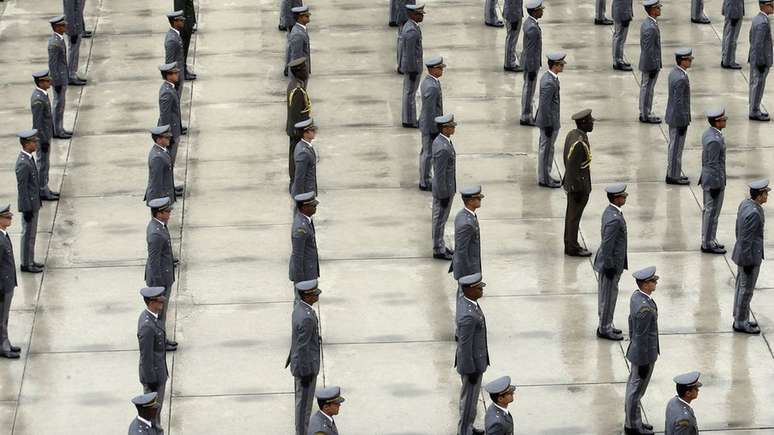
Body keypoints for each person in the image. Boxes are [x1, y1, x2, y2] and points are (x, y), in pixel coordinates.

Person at [624, 266, 660, 435]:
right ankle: (633, 426)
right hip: (643, 355)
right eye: (653, 281)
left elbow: (632, 327)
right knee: (636, 391)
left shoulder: (637, 297)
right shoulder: (644, 308)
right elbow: (642, 336)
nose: (655, 283)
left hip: (638, 351)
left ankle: (634, 421)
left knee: (634, 389)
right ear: (645, 284)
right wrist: (644, 360)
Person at [731, 179, 769, 334]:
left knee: (741, 287)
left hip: (743, 253)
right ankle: (740, 322)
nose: (767, 196)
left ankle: (741, 317)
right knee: (746, 290)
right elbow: (747, 238)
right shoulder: (754, 212)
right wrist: (747, 260)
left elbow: (738, 230)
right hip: (749, 257)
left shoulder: (745, 204)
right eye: (765, 193)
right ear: (759, 196)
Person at [285, 279, 322, 435]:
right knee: (304, 407)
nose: (316, 296)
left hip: (300, 363)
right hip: (305, 367)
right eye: (314, 294)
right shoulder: (306, 317)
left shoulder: (300, 308)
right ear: (307, 296)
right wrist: (306, 372)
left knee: (302, 402)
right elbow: (302, 347)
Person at [593, 183, 628, 341]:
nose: (625, 197)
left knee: (606, 295)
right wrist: (609, 265)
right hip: (611, 264)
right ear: (616, 198)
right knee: (608, 296)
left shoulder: (610, 212)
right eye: (623, 196)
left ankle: (605, 323)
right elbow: (608, 244)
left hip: (610, 262)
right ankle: (605, 328)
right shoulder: (614, 219)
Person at [455, 273, 490, 435]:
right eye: (478, 288)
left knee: (471, 399)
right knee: (469, 401)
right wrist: (471, 370)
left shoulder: (469, 303)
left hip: (475, 363)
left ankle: (468, 427)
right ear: (469, 290)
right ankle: (464, 431)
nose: (481, 290)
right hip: (472, 366)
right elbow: (465, 346)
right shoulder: (468, 315)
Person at [145, 197, 178, 352]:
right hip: (160, 279)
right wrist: (158, 287)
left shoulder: (160, 226)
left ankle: (162, 339)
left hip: (164, 276)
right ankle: (160, 342)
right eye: (166, 211)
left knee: (161, 313)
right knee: (159, 314)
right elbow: (154, 260)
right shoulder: (156, 234)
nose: (169, 214)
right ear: (158, 214)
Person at [562, 109, 594, 257]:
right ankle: (572, 247)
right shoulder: (579, 143)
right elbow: (573, 166)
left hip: (574, 184)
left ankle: (570, 243)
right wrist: (577, 188)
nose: (592, 121)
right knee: (574, 218)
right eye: (590, 120)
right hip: (578, 187)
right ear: (583, 123)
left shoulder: (572, 135)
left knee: (572, 216)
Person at [137, 286, 169, 428]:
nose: (162, 302)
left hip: (158, 371)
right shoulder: (147, 327)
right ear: (151, 303)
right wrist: (152, 382)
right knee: (153, 416)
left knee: (156, 413)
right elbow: (146, 357)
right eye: (159, 301)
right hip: (154, 377)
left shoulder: (152, 318)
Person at [698, 108, 727, 254]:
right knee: (712, 212)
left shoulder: (710, 134)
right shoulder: (714, 140)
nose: (725, 120)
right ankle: (707, 243)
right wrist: (716, 184)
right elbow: (713, 163)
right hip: (714, 181)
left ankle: (711, 238)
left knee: (711, 211)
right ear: (717, 121)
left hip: (711, 179)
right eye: (723, 119)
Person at [535, 52, 566, 188]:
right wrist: (548, 125)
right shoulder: (549, 82)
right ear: (555, 66)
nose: (563, 67)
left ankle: (545, 176)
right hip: (550, 122)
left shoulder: (551, 78)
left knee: (548, 149)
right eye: (561, 65)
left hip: (551, 120)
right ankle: (545, 179)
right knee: (546, 150)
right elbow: (545, 105)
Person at [15, 130, 43, 274]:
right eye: (34, 142)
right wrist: (26, 209)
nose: (36, 143)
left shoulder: (28, 158)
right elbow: (22, 189)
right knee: (27, 234)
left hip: (34, 204)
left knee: (31, 234)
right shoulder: (23, 163)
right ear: (27, 144)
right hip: (29, 206)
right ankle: (26, 263)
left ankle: (30, 260)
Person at [664, 48, 693, 185]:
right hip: (678, 118)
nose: (690, 61)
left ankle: (673, 172)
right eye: (688, 59)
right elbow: (679, 102)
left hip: (673, 116)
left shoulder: (674, 73)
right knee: (676, 149)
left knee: (674, 147)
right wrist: (682, 121)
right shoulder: (681, 78)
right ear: (682, 61)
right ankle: (673, 176)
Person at [30, 69, 59, 200]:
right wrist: (41, 141)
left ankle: (44, 187)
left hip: (46, 135)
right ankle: (42, 190)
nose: (49, 82)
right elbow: (37, 124)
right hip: (42, 139)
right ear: (40, 83)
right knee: (42, 164)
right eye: (47, 81)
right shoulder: (38, 100)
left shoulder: (43, 94)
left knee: (45, 164)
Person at [431, 114, 457, 260]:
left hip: (446, 188)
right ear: (444, 128)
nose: (453, 128)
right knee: (440, 220)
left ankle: (439, 244)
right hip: (444, 190)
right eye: (451, 126)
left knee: (440, 219)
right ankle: (438, 249)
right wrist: (443, 195)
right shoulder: (443, 148)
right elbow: (440, 174)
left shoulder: (442, 142)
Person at [418, 56, 445, 191]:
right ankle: (425, 181)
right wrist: (435, 127)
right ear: (433, 70)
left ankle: (424, 178)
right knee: (428, 154)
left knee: (426, 152)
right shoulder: (432, 87)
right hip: (430, 125)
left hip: (427, 123)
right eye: (440, 68)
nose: (442, 70)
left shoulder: (429, 82)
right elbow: (430, 110)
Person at [451, 186, 484, 296]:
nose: (480, 200)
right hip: (467, 270)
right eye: (478, 198)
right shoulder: (467, 223)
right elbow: (461, 251)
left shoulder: (464, 215)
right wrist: (468, 278)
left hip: (469, 267)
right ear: (470, 201)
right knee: (465, 297)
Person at [398, 4, 425, 128]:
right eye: (419, 14)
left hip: (413, 66)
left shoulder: (412, 27)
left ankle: (408, 118)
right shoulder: (411, 31)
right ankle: (410, 120)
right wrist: (413, 70)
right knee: (410, 94)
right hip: (413, 67)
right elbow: (409, 53)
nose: (422, 16)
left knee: (409, 92)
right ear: (412, 15)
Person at [286, 57, 311, 185]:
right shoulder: (297, 90)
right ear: (299, 71)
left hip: (295, 128)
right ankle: (295, 181)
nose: (307, 71)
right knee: (297, 156)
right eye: (305, 69)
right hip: (297, 129)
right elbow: (296, 114)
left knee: (294, 155)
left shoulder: (295, 84)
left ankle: (294, 179)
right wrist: (301, 131)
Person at [48, 15, 73, 138]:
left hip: (62, 77)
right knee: (58, 104)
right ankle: (57, 130)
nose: (65, 27)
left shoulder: (59, 39)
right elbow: (53, 64)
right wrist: (56, 82)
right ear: (57, 27)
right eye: (62, 25)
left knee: (60, 104)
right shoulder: (54, 43)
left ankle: (59, 128)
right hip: (59, 79)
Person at [748, 0, 773, 122]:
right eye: (771, 5)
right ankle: (754, 111)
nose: (773, 7)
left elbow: (751, 37)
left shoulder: (757, 18)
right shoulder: (763, 22)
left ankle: (754, 108)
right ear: (764, 6)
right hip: (760, 61)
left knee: (754, 85)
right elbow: (758, 44)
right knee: (758, 86)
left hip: (755, 58)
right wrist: (762, 62)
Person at [520, 0, 543, 126]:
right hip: (531, 64)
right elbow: (531, 50)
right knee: (529, 91)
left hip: (529, 62)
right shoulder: (533, 28)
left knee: (527, 89)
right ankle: (526, 116)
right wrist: (532, 69)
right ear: (535, 11)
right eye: (540, 10)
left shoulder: (529, 23)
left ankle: (525, 114)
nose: (542, 11)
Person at [0, 205, 19, 359]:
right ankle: (3, 345)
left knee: (4, 316)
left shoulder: (4, 235)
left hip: (8, 283)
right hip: (3, 286)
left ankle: (5, 342)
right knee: (1, 317)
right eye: (7, 217)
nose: (10, 219)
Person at [638, 0, 662, 124]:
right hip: (650, 64)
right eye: (658, 8)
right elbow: (648, 50)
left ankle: (644, 111)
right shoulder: (651, 27)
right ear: (653, 10)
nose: (660, 9)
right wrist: (653, 67)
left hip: (649, 63)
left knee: (646, 88)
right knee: (648, 90)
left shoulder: (649, 23)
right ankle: (645, 114)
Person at [289, 192, 320, 288]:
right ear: (304, 208)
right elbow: (297, 257)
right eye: (313, 205)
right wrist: (300, 283)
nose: (315, 207)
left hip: (309, 271)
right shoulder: (300, 229)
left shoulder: (306, 220)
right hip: (305, 275)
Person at [144, 125, 176, 206]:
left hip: (165, 196)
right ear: (158, 139)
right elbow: (156, 183)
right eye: (166, 137)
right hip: (160, 198)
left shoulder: (162, 150)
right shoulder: (157, 158)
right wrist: (160, 203)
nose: (169, 139)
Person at [291, 119, 318, 198]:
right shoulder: (303, 153)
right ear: (305, 134)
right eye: (312, 130)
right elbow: (299, 178)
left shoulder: (305, 146)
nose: (315, 132)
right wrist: (302, 199)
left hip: (308, 191)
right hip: (305, 193)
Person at [63, 0, 88, 85]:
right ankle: (71, 75)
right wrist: (72, 30)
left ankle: (73, 73)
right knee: (73, 51)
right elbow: (69, 13)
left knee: (75, 51)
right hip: (74, 27)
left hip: (77, 26)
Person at [165, 11, 186, 98]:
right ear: (175, 22)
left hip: (179, 73)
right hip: (176, 77)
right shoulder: (172, 40)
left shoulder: (175, 35)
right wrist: (173, 80)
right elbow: (169, 62)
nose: (183, 22)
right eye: (180, 20)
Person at [286, 6, 311, 78]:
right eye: (306, 16)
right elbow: (296, 58)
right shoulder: (298, 35)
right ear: (300, 18)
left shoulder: (301, 29)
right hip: (299, 74)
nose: (308, 17)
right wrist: (300, 77)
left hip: (302, 71)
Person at [721, 0, 744, 69]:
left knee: (727, 36)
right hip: (734, 12)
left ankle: (725, 58)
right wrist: (734, 14)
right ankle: (729, 61)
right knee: (731, 38)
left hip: (731, 10)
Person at [612, 0, 633, 71]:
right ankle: (618, 61)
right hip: (622, 13)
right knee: (619, 38)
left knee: (618, 36)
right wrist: (626, 16)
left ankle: (618, 59)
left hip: (619, 11)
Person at [503, 0, 523, 72]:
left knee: (511, 39)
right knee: (512, 40)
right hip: (514, 16)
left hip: (513, 13)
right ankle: (510, 64)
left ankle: (510, 61)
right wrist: (514, 19)